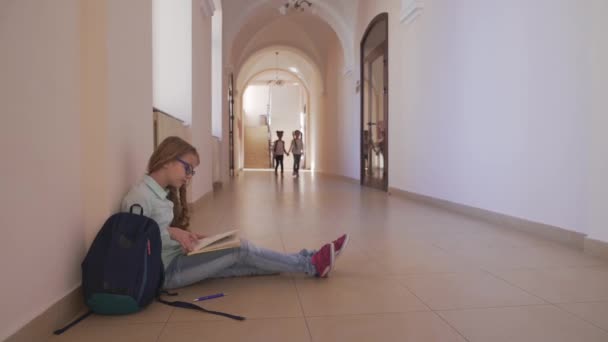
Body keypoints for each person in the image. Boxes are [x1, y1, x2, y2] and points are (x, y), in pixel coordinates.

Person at [121, 136, 349, 290]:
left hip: (177, 259)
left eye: (193, 171)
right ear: (168, 161)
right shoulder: (139, 197)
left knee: (243, 264)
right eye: (187, 168)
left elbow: (157, 234)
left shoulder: (161, 194)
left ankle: (308, 257)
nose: (189, 176)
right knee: (240, 248)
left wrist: (185, 236)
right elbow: (133, 247)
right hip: (164, 273)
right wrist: (172, 232)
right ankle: (312, 264)